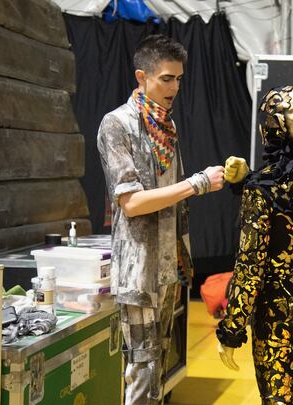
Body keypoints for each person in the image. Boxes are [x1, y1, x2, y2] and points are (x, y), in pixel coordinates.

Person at [97, 34, 243, 405]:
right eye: (166, 78)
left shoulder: (166, 126)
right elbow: (130, 203)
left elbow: (171, 200)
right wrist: (196, 184)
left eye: (179, 79)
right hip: (140, 272)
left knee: (160, 371)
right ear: (141, 76)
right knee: (143, 374)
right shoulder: (117, 125)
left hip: (169, 269)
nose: (174, 87)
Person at [216, 86, 293, 404]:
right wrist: (247, 183)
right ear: (277, 121)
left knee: (279, 398)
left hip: (278, 310)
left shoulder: (265, 186)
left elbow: (250, 265)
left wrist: (232, 329)